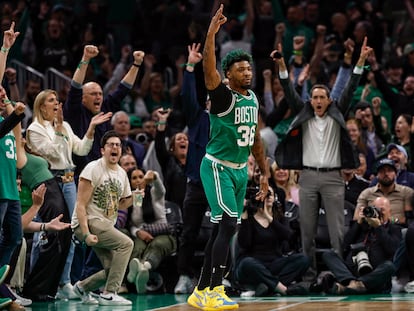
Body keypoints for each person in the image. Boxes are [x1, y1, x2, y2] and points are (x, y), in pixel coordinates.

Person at [187, 5, 269, 310]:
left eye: (249, 68)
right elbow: (209, 67)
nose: (247, 72)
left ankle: (200, 290)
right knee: (229, 225)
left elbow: (257, 138)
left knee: (224, 226)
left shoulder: (252, 98)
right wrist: (211, 32)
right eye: (241, 69)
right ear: (229, 74)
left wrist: (265, 172)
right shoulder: (223, 96)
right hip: (217, 167)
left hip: (239, 170)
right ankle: (215, 290)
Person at [273, 37, 372, 273]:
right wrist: (282, 66)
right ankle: (308, 275)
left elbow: (350, 88)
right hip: (307, 177)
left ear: (329, 101)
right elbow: (288, 90)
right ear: (310, 100)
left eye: (322, 97)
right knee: (307, 230)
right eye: (314, 97)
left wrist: (360, 61)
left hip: (332, 177)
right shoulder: (303, 112)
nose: (318, 101)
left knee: (337, 230)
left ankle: (339, 274)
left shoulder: (338, 112)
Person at [26, 89, 111, 299]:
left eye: (58, 100)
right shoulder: (34, 129)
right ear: (41, 105)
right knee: (44, 233)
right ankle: (35, 281)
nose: (57, 104)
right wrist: (57, 130)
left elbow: (81, 149)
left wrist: (91, 128)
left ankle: (64, 282)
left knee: (72, 230)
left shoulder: (64, 126)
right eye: (52, 100)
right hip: (49, 179)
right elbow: (52, 153)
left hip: (70, 179)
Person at [71, 130, 134, 306]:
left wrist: (137, 196)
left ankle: (82, 287)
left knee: (113, 268)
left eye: (118, 145)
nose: (115, 148)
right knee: (127, 244)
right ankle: (109, 293)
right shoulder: (93, 168)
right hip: (88, 222)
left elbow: (119, 205)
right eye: (110, 145)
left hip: (105, 224)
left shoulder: (121, 173)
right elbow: (80, 204)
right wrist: (85, 234)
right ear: (102, 150)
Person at [63, 45, 144, 177]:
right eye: (93, 94)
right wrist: (86, 59)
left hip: (104, 174)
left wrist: (136, 64)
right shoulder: (75, 112)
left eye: (100, 94)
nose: (98, 97)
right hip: (80, 175)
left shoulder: (104, 109)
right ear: (83, 99)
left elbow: (123, 89)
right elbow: (75, 86)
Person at [174, 43, 211, 294]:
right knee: (189, 233)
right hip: (197, 185)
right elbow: (187, 96)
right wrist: (190, 67)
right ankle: (185, 276)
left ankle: (220, 278)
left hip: (221, 184)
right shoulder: (199, 118)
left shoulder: (228, 122)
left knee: (223, 233)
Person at [234, 185, 310, 297]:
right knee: (247, 263)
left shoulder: (279, 218)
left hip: (274, 264)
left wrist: (268, 217)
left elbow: (289, 236)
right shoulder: (249, 218)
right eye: (265, 194)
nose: (268, 197)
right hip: (254, 265)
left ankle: (267, 287)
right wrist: (244, 215)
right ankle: (282, 288)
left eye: (271, 194)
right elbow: (244, 244)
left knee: (303, 259)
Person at [322, 196, 401, 294]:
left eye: (382, 210)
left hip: (374, 275)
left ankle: (355, 285)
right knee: (328, 254)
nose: (379, 212)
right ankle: (352, 283)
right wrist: (358, 223)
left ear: (390, 212)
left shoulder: (394, 229)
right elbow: (344, 246)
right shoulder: (362, 226)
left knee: (389, 266)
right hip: (354, 270)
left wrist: (378, 227)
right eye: (376, 209)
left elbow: (392, 249)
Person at [126, 167, 176, 294]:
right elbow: (132, 224)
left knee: (157, 245)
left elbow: (160, 186)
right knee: (136, 247)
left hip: (162, 233)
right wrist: (137, 232)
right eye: (134, 178)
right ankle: (138, 274)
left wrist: (153, 176)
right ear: (129, 182)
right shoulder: (133, 198)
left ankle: (144, 268)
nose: (138, 180)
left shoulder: (155, 193)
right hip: (142, 234)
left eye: (141, 177)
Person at [355, 158, 414, 226]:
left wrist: (388, 221)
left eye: (390, 170)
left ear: (395, 174)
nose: (386, 174)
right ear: (377, 175)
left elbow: (409, 220)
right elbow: (356, 218)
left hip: (399, 229)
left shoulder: (406, 192)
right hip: (372, 229)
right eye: (382, 171)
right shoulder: (366, 193)